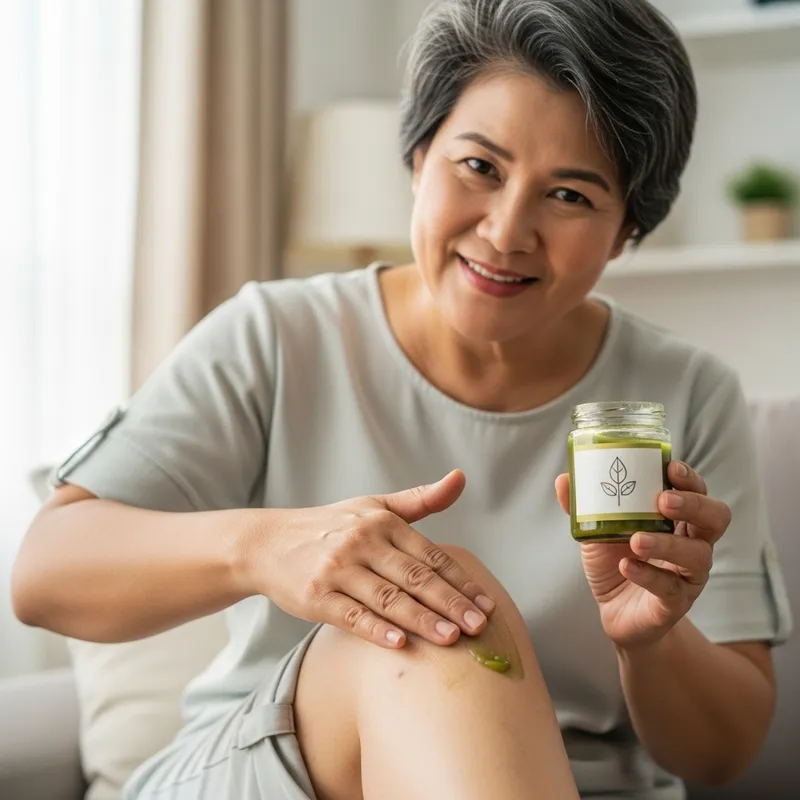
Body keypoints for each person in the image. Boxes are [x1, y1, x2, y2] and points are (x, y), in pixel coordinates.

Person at [11, 0, 792, 797]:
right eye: (480, 167)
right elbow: (45, 573)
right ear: (419, 157)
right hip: (278, 771)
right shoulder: (277, 336)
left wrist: (650, 642)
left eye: (569, 196)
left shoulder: (683, 392)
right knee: (442, 607)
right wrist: (264, 548)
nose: (507, 232)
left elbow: (719, 758)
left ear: (627, 229)